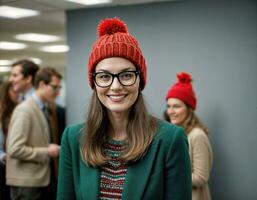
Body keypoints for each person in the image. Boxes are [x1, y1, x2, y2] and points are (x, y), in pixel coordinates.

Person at [57, 17, 191, 200]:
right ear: (94, 82)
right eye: (104, 76)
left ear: (139, 80)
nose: (116, 86)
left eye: (126, 75)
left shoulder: (170, 140)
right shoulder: (73, 138)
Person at [6, 67, 62, 200]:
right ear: (42, 84)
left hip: (40, 180)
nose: (58, 92)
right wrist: (47, 152)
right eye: (55, 87)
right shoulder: (25, 110)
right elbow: (14, 149)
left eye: (59, 88)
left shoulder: (45, 108)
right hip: (27, 184)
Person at [164, 72, 213, 200]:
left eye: (176, 106)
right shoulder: (172, 134)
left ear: (188, 109)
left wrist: (166, 173)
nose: (170, 111)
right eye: (168, 106)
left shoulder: (197, 136)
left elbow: (201, 178)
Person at [0, 82, 19, 200]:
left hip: (16, 165)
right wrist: (4, 156)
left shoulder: (19, 109)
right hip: (3, 166)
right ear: (6, 93)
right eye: (14, 91)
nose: (18, 94)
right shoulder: (2, 114)